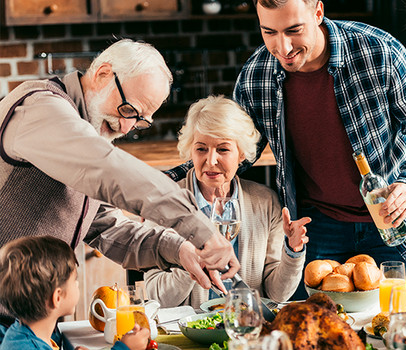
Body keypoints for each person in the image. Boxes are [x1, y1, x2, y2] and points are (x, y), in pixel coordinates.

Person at [0, 39, 239, 334]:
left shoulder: (87, 133)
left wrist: (180, 250)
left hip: (32, 323)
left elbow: (108, 229)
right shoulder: (41, 107)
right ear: (103, 74)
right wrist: (198, 226)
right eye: (129, 110)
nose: (126, 128)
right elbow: (106, 166)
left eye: (139, 122)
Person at [226, 0, 406, 301]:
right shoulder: (255, 76)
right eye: (269, 32)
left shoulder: (379, 51)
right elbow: (234, 152)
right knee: (319, 335)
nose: (282, 46)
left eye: (293, 30)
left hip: (392, 222)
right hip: (318, 229)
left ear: (318, 12)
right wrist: (169, 190)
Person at [144, 96, 310, 308]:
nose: (211, 160)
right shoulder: (164, 203)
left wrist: (292, 251)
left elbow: (278, 295)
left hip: (247, 324)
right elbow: (156, 296)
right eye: (201, 149)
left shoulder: (265, 203)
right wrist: (191, 263)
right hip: (188, 328)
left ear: (241, 154)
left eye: (223, 149)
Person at [0, 236, 150, 350]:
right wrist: (124, 349)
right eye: (74, 280)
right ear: (57, 298)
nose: (77, 284)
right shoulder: (28, 348)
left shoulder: (21, 334)